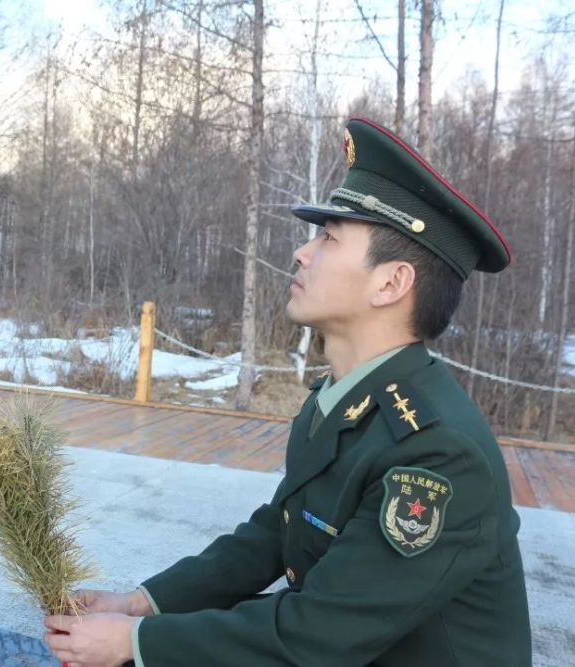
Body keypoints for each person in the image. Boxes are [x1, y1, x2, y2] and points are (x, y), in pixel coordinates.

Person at [43, 117, 532, 667]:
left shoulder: (438, 453)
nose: (301, 253)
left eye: (328, 237)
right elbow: (279, 532)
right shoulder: (345, 398)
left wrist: (131, 643)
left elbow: (320, 632)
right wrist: (142, 606)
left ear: (391, 283)